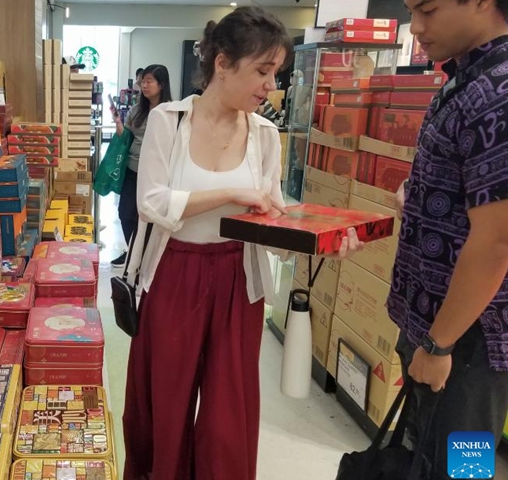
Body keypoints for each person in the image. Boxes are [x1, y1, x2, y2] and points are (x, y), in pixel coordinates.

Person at [122, 7, 362, 479]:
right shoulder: (170, 121)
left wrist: (320, 241)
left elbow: (268, 220)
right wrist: (230, 193)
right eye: (262, 71)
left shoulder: (265, 136)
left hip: (239, 280)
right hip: (173, 273)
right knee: (165, 403)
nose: (270, 86)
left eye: (275, 73)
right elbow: (151, 202)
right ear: (222, 63)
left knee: (228, 411)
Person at [389, 0, 508, 478]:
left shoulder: (499, 90)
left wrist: (439, 345)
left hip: (467, 343)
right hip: (436, 329)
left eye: (429, 9)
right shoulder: (467, 76)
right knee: (424, 456)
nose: (416, 27)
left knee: (462, 468)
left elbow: (498, 242)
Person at [110, 64, 173, 267]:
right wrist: (118, 123)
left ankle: (144, 258)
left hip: (157, 176)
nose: (144, 86)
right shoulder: (137, 110)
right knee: (125, 213)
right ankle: (135, 253)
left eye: (149, 81)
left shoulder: (171, 111)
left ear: (161, 84)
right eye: (142, 81)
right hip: (133, 171)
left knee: (149, 218)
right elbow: (126, 138)